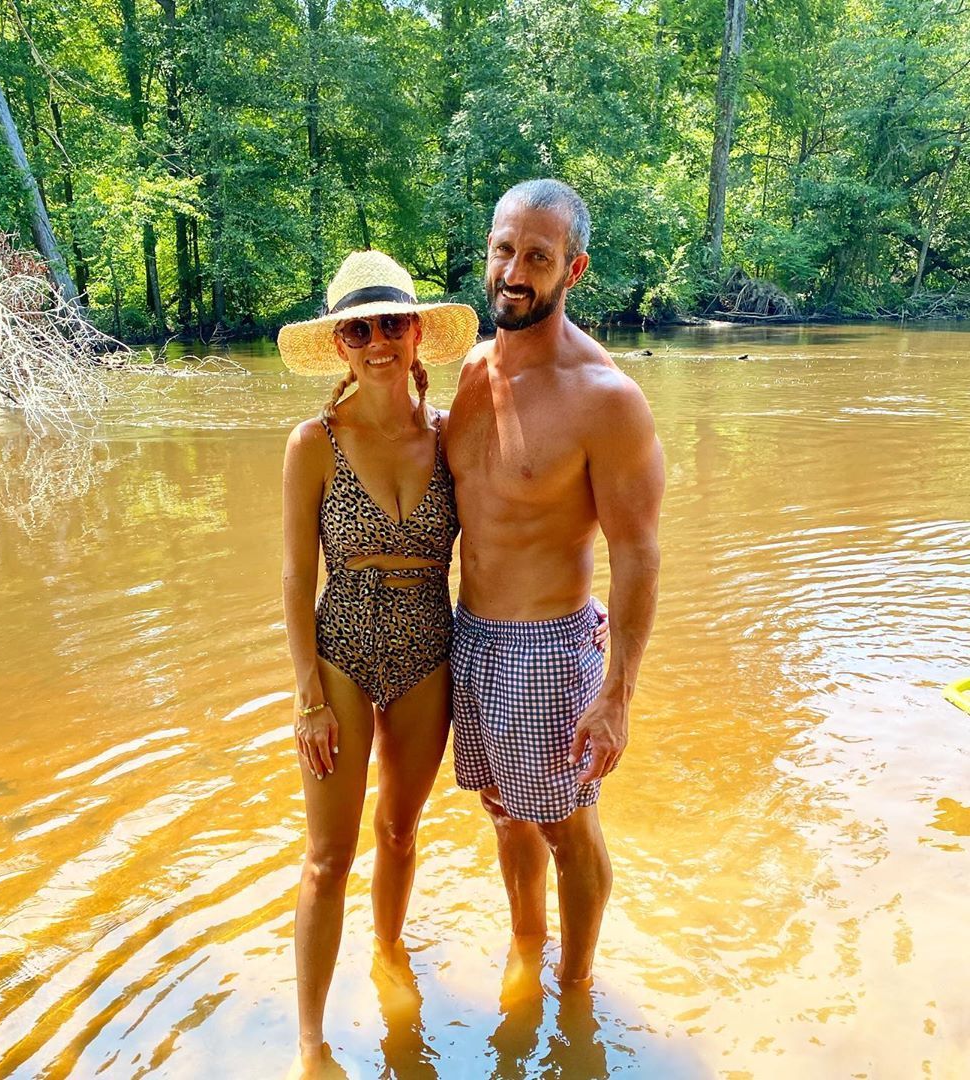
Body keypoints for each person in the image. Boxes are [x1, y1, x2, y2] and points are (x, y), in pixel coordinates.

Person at [447, 178, 665, 987]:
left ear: (573, 270)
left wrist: (617, 695)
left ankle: (576, 993)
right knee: (504, 815)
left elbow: (639, 551)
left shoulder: (606, 399)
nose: (514, 270)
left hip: (548, 647)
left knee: (569, 827)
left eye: (537, 256)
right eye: (505, 249)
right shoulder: (468, 374)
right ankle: (526, 950)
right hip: (468, 637)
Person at [278, 250, 478, 1073]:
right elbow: (295, 576)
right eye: (358, 329)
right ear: (339, 346)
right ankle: (311, 1042)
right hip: (342, 656)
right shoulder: (313, 442)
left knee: (398, 829)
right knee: (328, 858)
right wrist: (305, 697)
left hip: (430, 647)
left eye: (391, 323)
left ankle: (389, 955)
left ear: (417, 333)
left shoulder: (453, 435)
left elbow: (516, 525)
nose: (377, 341)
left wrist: (580, 607)